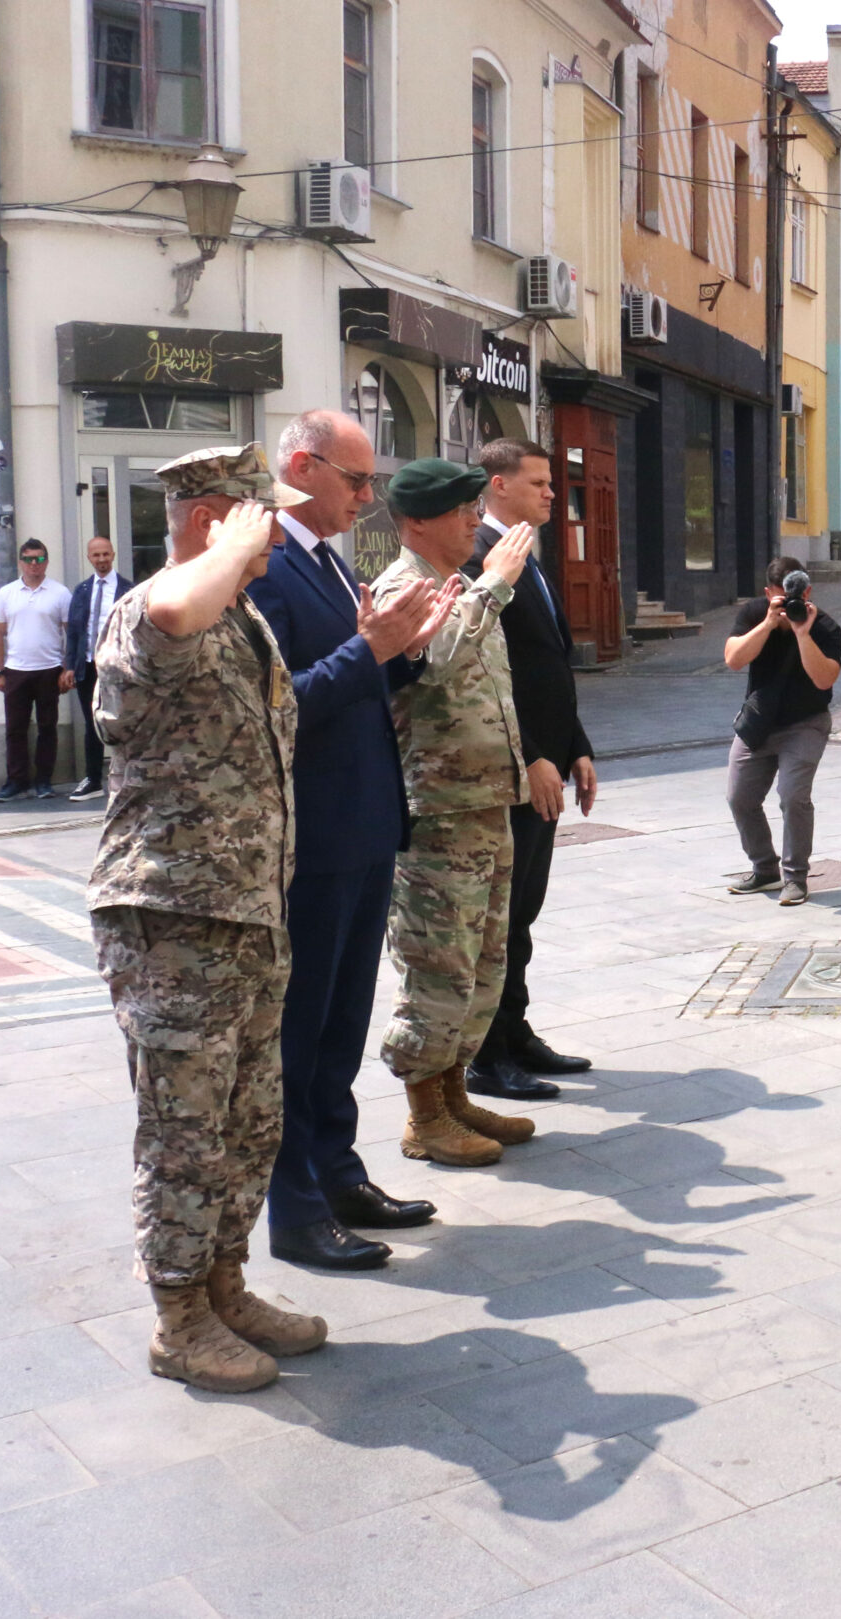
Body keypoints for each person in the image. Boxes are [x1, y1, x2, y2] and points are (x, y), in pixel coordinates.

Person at [87, 443, 328, 1392]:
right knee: (183, 1129)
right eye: (261, 520)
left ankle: (225, 1283)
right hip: (173, 921)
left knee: (249, 1118)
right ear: (207, 522)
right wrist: (225, 547)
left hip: (248, 914)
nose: (277, 539)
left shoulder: (242, 619)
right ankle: (179, 1316)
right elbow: (173, 610)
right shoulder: (151, 608)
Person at [247, 410, 453, 1270]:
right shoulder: (265, 567)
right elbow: (276, 706)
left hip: (363, 826)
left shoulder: (331, 561)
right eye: (357, 480)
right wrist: (372, 648)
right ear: (302, 466)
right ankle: (295, 1208)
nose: (368, 498)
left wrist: (405, 649)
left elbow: (361, 674)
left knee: (341, 1025)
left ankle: (338, 1174)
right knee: (300, 1033)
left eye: (372, 482)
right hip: (314, 836)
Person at [371, 459, 541, 1168]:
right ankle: (424, 1118)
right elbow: (431, 661)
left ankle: (452, 1094)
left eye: (475, 507)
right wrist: (495, 584)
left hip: (484, 804)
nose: (476, 520)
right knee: (437, 966)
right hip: (437, 813)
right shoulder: (401, 588)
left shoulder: (463, 585)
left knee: (480, 966)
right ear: (416, 521)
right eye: (461, 510)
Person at [463, 439, 599, 1102]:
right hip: (511, 768)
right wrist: (533, 755)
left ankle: (515, 1034)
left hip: (545, 759)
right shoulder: (479, 560)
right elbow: (494, 675)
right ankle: (486, 1055)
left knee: (523, 913)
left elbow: (549, 665)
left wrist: (576, 745)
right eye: (540, 482)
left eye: (553, 483)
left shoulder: (525, 554)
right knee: (499, 918)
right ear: (499, 484)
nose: (553, 493)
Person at [723, 556, 841, 906]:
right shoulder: (754, 613)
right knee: (739, 798)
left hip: (806, 722)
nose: (789, 604)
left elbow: (825, 679)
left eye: (796, 597)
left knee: (793, 796)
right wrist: (767, 623)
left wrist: (803, 633)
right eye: (781, 597)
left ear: (807, 591)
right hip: (760, 722)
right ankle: (764, 870)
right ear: (768, 594)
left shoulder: (824, 626)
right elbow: (733, 659)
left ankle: (795, 877)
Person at [0, 538, 73, 801]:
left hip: (49, 670)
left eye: (39, 559)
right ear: (20, 562)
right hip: (15, 671)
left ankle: (44, 781)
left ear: (46, 562)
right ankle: (16, 781)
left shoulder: (60, 593)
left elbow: (72, 634)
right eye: (28, 559)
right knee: (15, 729)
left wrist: (67, 668)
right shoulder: (6, 594)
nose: (34, 564)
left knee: (47, 728)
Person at [64, 536, 130, 800]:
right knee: (92, 724)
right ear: (89, 558)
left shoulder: (128, 589)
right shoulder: (81, 590)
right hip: (87, 666)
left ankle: (127, 778)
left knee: (123, 720)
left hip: (117, 667)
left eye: (105, 554)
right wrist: (70, 666)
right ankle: (93, 779)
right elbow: (74, 632)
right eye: (96, 555)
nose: (101, 559)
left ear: (113, 554)